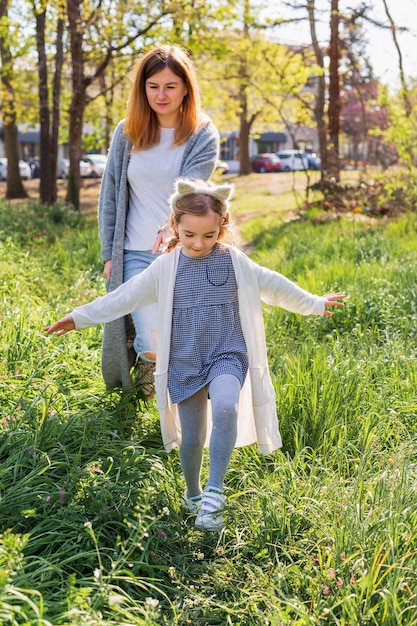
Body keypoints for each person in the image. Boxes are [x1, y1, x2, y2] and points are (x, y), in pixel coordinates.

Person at [45, 178, 345, 531]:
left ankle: (215, 491)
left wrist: (314, 303)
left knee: (226, 407)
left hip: (226, 353)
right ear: (175, 225)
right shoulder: (165, 268)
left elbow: (274, 284)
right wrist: (79, 317)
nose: (199, 243)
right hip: (184, 359)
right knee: (192, 439)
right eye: (189, 235)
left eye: (209, 235)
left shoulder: (235, 261)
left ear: (222, 226)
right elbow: (123, 297)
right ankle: (194, 493)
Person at [98, 44, 219, 395]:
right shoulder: (127, 132)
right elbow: (110, 197)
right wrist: (110, 254)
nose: (161, 95)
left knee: (184, 334)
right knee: (153, 339)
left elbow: (193, 190)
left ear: (185, 88)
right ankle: (150, 370)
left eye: (170, 86)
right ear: (143, 88)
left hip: (182, 253)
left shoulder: (202, 132)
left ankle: (178, 401)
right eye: (153, 86)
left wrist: (171, 227)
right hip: (134, 252)